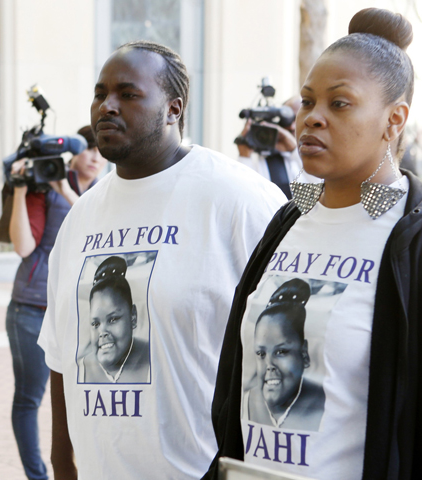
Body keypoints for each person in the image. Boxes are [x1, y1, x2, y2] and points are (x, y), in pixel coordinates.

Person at [204, 8, 422, 480]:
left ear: (395, 119)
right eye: (307, 102)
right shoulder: (287, 222)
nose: (312, 118)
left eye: (340, 103)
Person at [37, 40, 287, 480]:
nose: (107, 106)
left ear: (174, 108)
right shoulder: (81, 217)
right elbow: (60, 354)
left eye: (128, 94)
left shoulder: (238, 200)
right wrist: (62, 464)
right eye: (100, 94)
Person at [4, 125, 105, 480]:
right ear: (72, 154)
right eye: (88, 149)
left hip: (81, 315)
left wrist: (64, 188)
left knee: (84, 400)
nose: (95, 157)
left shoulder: (106, 194)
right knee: (29, 399)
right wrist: (20, 190)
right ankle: (37, 476)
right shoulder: (41, 189)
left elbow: (98, 232)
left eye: (99, 150)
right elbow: (23, 247)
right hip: (31, 307)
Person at [246, 278, 324, 431]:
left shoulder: (324, 403)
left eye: (281, 352)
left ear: (304, 353)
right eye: (261, 353)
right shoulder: (248, 401)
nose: (269, 365)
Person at [78, 255, 150, 383]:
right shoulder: (83, 367)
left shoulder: (152, 358)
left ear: (133, 317)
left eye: (113, 319)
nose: (102, 332)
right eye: (95, 323)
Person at [236, 96, 307, 199]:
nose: (292, 126)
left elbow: (318, 186)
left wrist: (294, 150)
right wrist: (244, 156)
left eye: (298, 119)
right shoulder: (255, 162)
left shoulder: (304, 159)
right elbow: (242, 195)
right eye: (288, 120)